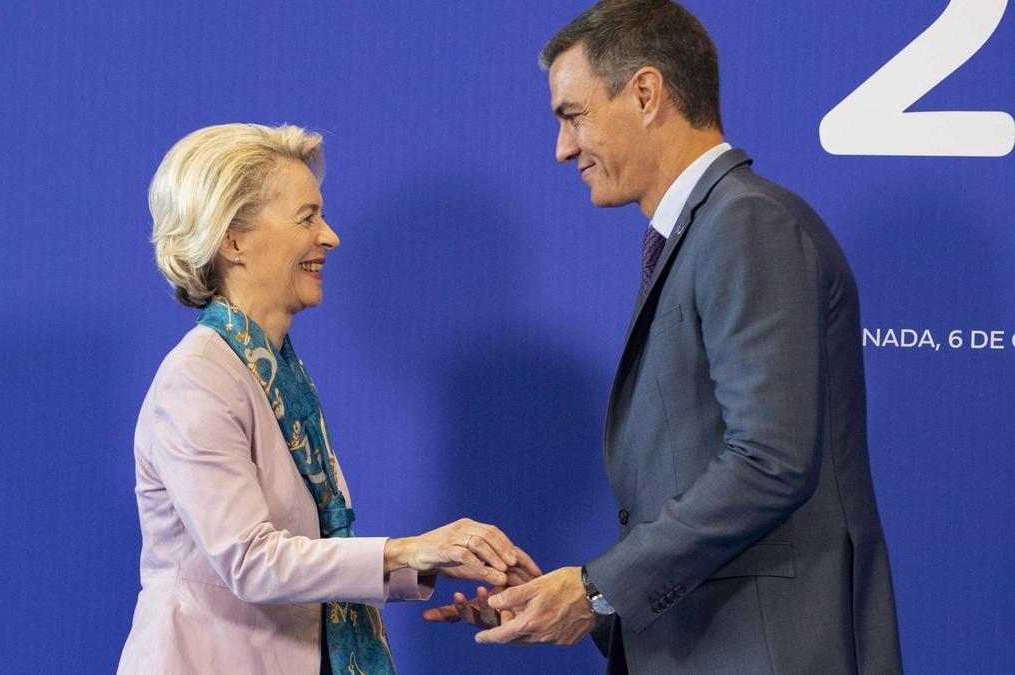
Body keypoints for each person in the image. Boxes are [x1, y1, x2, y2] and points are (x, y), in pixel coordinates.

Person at [424, 2, 903, 672]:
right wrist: (578, 600)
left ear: (646, 93)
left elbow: (770, 459)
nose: (563, 149)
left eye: (573, 115)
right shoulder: (703, 235)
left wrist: (595, 588)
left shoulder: (747, 226)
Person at [117, 123, 539, 674]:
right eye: (307, 217)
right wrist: (407, 550)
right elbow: (251, 561)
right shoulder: (198, 378)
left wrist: (435, 564)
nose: (330, 236)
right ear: (232, 240)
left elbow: (308, 552)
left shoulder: (277, 373)